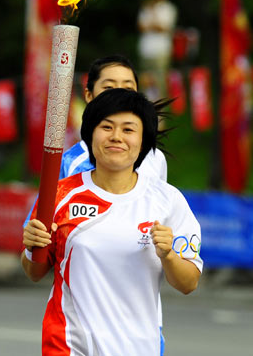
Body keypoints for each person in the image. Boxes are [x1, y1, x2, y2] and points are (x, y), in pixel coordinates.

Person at [22, 89, 203, 356]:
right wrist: (31, 246)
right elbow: (34, 272)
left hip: (138, 346)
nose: (116, 137)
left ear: (143, 142)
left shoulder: (167, 201)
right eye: (106, 127)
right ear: (91, 135)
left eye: (128, 129)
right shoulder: (58, 195)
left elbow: (188, 284)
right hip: (69, 343)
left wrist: (169, 255)